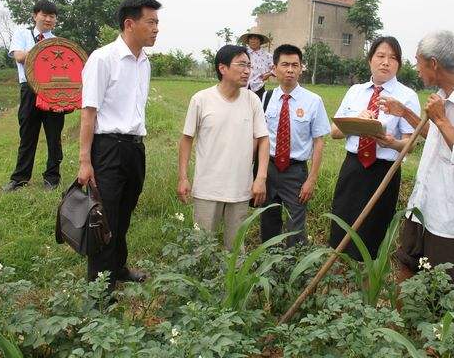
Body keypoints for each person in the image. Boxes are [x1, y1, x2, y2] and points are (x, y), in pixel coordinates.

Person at [379, 30, 454, 293]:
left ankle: (440, 334)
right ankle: (400, 328)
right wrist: (406, 113)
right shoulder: (444, 96)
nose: (417, 68)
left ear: (433, 64)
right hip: (423, 204)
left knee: (443, 288)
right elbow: (436, 136)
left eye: (418, 61)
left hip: (450, 215)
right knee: (407, 266)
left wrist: (442, 119)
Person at [77, 0, 161, 291]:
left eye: (157, 22)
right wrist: (85, 161)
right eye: (150, 22)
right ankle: (100, 288)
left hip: (135, 147)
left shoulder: (144, 63)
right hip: (108, 148)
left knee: (124, 211)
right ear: (130, 23)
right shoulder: (103, 59)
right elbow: (89, 113)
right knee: (105, 217)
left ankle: (118, 267)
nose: (156, 29)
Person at [329, 36, 421, 261]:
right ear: (370, 60)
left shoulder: (407, 96)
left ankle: (366, 285)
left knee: (372, 234)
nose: (385, 62)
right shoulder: (355, 91)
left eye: (392, 58)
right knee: (342, 228)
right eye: (380, 56)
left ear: (399, 64)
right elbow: (335, 132)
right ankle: (339, 282)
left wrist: (391, 143)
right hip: (352, 169)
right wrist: (355, 121)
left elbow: (410, 143)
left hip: (384, 172)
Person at [177, 45, 269, 250]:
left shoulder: (252, 100)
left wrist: (260, 177)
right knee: (201, 247)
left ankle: (235, 283)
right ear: (223, 68)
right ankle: (201, 281)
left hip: (241, 188)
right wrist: (183, 177)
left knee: (236, 249)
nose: (247, 70)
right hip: (208, 188)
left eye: (249, 65)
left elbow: (263, 139)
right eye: (241, 64)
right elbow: (186, 139)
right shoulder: (201, 99)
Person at [260, 44, 330, 246]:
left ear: (301, 68)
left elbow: (318, 142)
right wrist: (259, 175)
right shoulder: (266, 98)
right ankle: (269, 266)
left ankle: (294, 270)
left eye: (295, 65)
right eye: (285, 65)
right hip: (269, 169)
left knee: (295, 227)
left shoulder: (313, 101)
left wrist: (311, 179)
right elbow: (261, 138)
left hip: (296, 172)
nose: (290, 70)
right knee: (268, 221)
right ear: (274, 69)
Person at [3, 0, 64, 192]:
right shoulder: (22, 34)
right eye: (44, 15)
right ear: (35, 15)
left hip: (52, 91)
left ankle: (52, 178)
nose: (48, 19)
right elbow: (19, 57)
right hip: (29, 90)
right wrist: (44, 51)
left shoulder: (57, 41)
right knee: (27, 135)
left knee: (54, 136)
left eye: (52, 16)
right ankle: (20, 178)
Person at [239, 32, 273, 100]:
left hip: (258, 86)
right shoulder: (243, 53)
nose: (253, 41)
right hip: (242, 85)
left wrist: (269, 74)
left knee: (257, 107)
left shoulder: (267, 56)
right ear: (248, 41)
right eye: (251, 39)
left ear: (260, 41)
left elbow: (276, 68)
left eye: (255, 39)